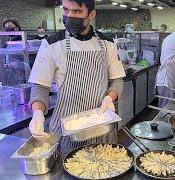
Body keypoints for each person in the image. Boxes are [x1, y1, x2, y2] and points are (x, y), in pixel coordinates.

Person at [27, 0, 125, 157]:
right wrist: (37, 113)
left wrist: (109, 98)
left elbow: (117, 80)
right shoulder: (51, 44)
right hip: (66, 133)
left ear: (91, 14)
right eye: (65, 10)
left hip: (101, 130)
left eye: (77, 12)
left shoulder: (108, 44)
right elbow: (40, 86)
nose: (69, 16)